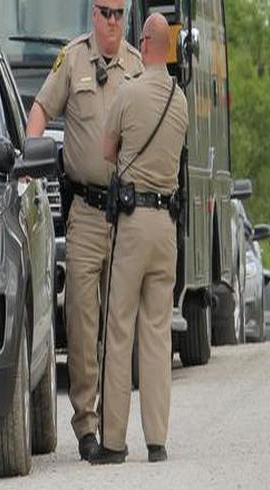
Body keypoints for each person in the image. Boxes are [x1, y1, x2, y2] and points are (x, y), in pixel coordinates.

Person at [27, 0, 143, 459]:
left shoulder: (137, 66)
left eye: (119, 13)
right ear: (92, 14)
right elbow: (39, 110)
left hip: (126, 214)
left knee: (119, 323)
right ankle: (85, 426)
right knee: (80, 320)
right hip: (85, 214)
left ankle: (114, 428)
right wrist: (28, 166)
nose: (112, 21)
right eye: (105, 12)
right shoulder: (72, 59)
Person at [92, 12, 188, 464]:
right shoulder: (181, 100)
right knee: (157, 335)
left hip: (131, 225)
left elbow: (107, 153)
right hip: (166, 228)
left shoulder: (128, 93)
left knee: (119, 329)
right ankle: (158, 440)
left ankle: (112, 440)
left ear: (144, 42)